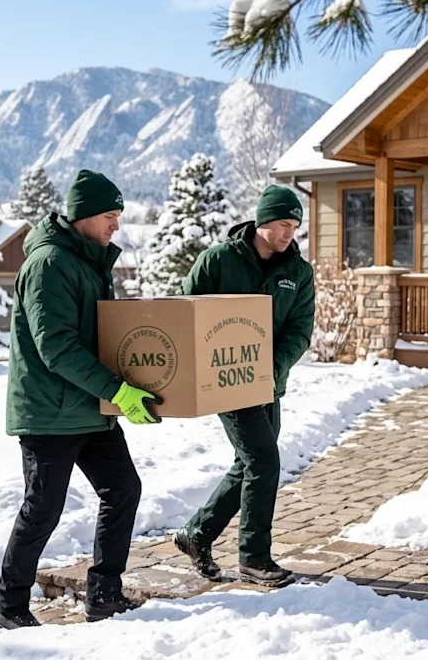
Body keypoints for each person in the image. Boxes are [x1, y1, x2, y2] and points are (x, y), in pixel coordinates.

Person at [0, 169, 162, 629]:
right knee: (43, 508)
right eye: (110, 215)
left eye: (118, 215)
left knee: (123, 488)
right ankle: (9, 606)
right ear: (84, 215)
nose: (116, 225)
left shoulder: (89, 261)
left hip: (90, 408)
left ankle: (104, 594)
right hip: (50, 412)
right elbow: (57, 348)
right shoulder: (50, 264)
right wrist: (118, 390)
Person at [172, 184, 315, 587]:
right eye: (283, 223)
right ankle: (254, 558)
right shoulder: (218, 260)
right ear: (263, 220)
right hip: (227, 381)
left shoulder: (298, 273)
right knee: (264, 462)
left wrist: (272, 366)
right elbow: (186, 313)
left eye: (295, 225)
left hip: (269, 382)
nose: (290, 232)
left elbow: (300, 330)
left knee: (249, 462)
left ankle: (196, 534)